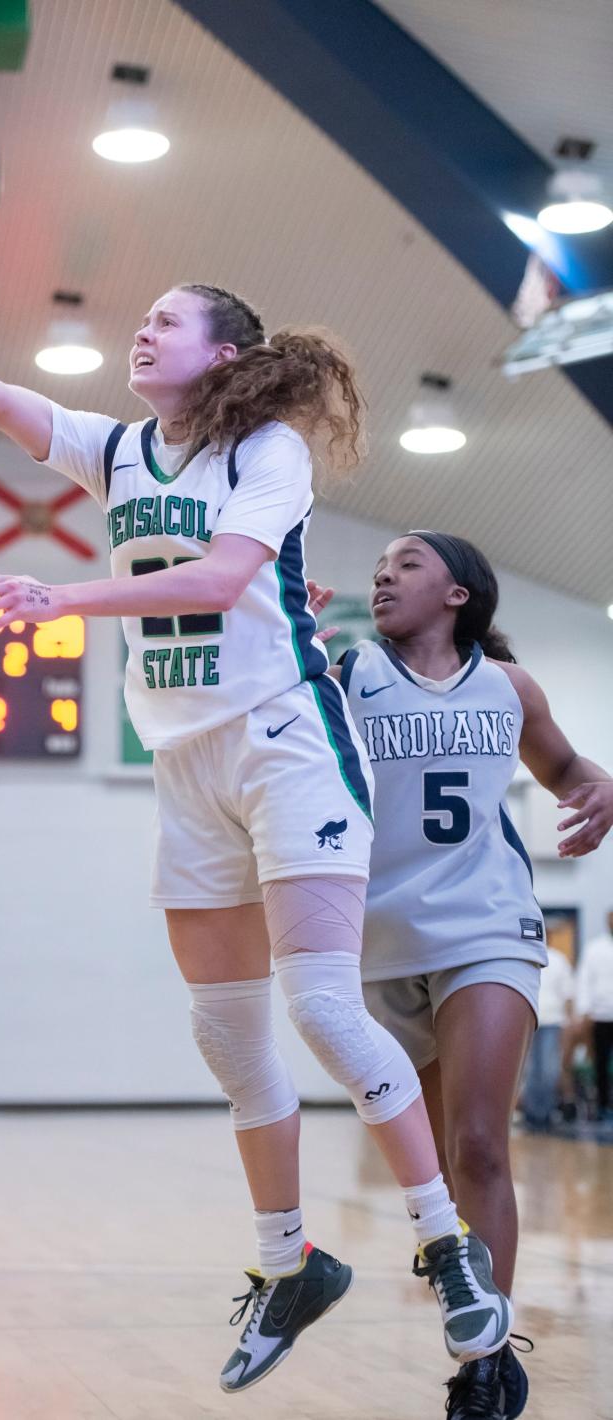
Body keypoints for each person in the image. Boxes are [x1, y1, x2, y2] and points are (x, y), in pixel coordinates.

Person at [0, 253, 511, 1395]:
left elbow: (217, 581)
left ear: (223, 352)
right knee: (226, 1036)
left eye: (169, 321)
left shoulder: (268, 451)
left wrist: (57, 599)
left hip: (287, 743)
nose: (143, 332)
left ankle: (445, 1245)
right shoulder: (116, 448)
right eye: (145, 319)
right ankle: (289, 1262)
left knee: (319, 1005)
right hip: (185, 763)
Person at [317, 532, 613, 1419]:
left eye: (406, 564)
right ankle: (461, 1286)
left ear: (459, 593)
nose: (383, 575)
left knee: (482, 1141)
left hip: (488, 923)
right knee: (444, 1169)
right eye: (378, 567)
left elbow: (564, 770)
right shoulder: (345, 670)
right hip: (374, 938)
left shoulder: (509, 686)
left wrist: (600, 787)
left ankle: (486, 1360)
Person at [521, 938, 573, 1130]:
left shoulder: (559, 959)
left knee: (549, 1069)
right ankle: (532, 1114)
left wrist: (568, 1021)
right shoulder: (525, 955)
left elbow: (568, 993)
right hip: (530, 1019)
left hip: (552, 1022)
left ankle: (546, 1112)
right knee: (531, 1069)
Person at [575, 911, 613, 1120]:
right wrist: (585, 1011)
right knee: (600, 1062)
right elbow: (584, 981)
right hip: (600, 1015)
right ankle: (603, 1106)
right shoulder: (595, 949)